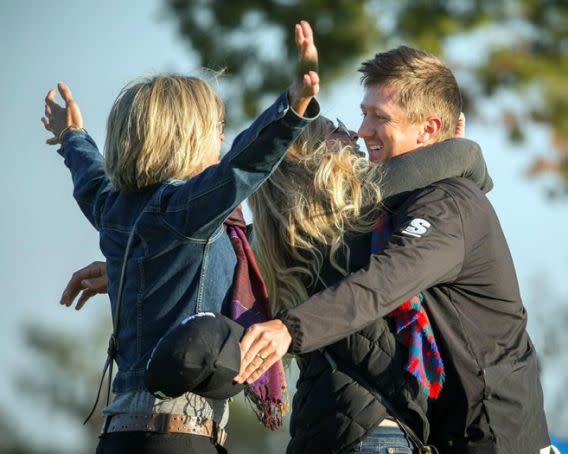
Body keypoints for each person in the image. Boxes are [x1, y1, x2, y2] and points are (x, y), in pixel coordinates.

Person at [236, 45, 552, 453]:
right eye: (364, 112)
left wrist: (289, 329)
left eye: (379, 117)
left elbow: (386, 280)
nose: (362, 130)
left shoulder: (448, 204)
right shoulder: (391, 209)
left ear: (427, 128)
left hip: (499, 441)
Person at [41, 21, 320, 454]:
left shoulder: (116, 210)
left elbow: (91, 180)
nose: (224, 137)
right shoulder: (186, 210)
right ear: (185, 137)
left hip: (119, 434)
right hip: (178, 434)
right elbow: (242, 165)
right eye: (217, 127)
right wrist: (293, 108)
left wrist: (71, 137)